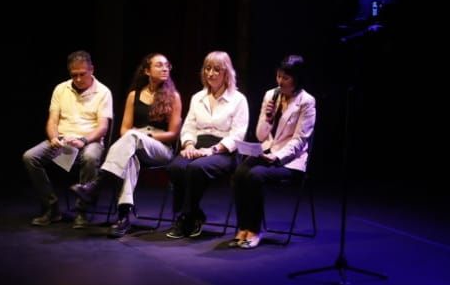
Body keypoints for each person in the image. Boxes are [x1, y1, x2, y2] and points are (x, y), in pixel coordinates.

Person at [75, 53, 182, 237]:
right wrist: (136, 136)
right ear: (147, 71)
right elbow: (123, 130)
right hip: (133, 145)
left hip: (161, 148)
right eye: (159, 65)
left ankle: (98, 183)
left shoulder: (173, 96)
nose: (165, 69)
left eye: (167, 65)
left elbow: (173, 134)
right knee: (129, 158)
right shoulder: (134, 96)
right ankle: (123, 218)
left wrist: (146, 135)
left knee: (133, 136)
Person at [230, 55, 315, 250]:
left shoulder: (307, 102)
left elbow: (300, 140)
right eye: (278, 76)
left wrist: (277, 157)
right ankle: (242, 227)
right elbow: (261, 136)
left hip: (290, 161)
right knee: (239, 174)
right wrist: (268, 117)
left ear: (297, 79)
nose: (280, 81)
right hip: (267, 151)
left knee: (254, 176)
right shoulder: (271, 95)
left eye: (285, 78)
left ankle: (254, 230)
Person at [21, 51, 112, 228]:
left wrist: (84, 141)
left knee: (91, 157)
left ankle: (82, 212)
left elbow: (102, 127)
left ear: (92, 69)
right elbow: (52, 120)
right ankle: (52, 208)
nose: (78, 79)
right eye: (74, 75)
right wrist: (54, 137)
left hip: (89, 141)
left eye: (82, 74)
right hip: (63, 141)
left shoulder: (103, 92)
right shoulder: (61, 89)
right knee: (30, 157)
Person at [164, 51, 250, 240]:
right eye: (207, 68)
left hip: (224, 151)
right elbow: (189, 126)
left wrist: (212, 150)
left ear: (226, 73)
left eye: (216, 70)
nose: (210, 73)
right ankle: (195, 215)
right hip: (198, 145)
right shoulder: (197, 97)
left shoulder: (238, 99)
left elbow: (237, 135)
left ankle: (185, 217)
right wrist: (188, 145)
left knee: (195, 169)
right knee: (176, 167)